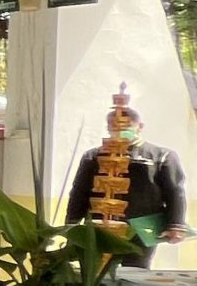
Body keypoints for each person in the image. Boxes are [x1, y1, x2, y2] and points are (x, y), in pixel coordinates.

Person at [64, 105, 190, 266]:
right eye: (113, 127)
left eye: (126, 126)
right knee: (95, 275)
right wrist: (72, 223)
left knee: (134, 275)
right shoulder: (93, 156)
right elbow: (79, 191)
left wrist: (176, 224)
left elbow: (175, 191)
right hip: (99, 227)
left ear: (140, 127)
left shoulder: (162, 156)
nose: (119, 131)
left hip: (141, 228)